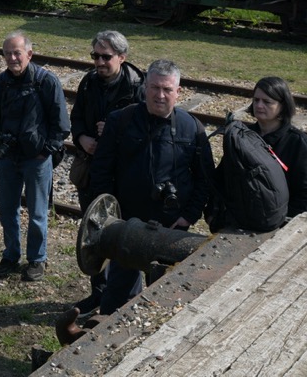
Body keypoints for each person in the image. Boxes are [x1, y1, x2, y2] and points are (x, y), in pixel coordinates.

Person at [88, 59, 214, 315]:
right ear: (145, 87)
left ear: (178, 92)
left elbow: (205, 179)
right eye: (155, 87)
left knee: (164, 298)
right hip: (126, 224)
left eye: (167, 89)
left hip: (171, 227)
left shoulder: (193, 128)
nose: (160, 95)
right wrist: (111, 218)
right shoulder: (121, 121)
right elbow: (100, 172)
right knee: (117, 295)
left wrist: (188, 215)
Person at [69, 30, 145, 313]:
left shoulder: (137, 87)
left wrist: (115, 131)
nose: (99, 62)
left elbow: (146, 135)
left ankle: (121, 294)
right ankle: (99, 291)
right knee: (93, 232)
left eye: (105, 57)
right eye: (95, 56)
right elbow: (76, 118)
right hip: (92, 171)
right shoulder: (89, 82)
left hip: (122, 176)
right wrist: (82, 139)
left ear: (122, 58)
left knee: (121, 235)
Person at [0, 31, 69, 282]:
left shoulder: (47, 81)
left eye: (17, 53)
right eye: (8, 54)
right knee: (7, 209)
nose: (12, 58)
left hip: (36, 159)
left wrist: (46, 151)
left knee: (37, 212)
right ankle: (11, 255)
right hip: (7, 158)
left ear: (29, 54)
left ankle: (37, 259)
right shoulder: (2, 82)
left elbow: (61, 123)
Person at [247, 76, 307, 218]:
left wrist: (280, 222)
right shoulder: (243, 136)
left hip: (279, 224)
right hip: (240, 219)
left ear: (283, 106)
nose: (259, 105)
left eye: (267, 102)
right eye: (256, 100)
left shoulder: (299, 143)